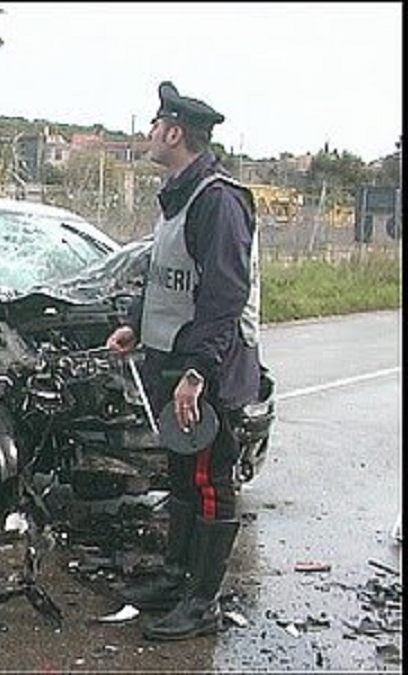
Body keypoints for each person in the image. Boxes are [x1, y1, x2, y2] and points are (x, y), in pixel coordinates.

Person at [105, 81, 263, 640]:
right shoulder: (177, 197)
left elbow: (223, 299)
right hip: (173, 361)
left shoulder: (217, 201)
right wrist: (135, 324)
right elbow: (171, 279)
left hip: (208, 372)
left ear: (174, 133)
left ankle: (202, 602)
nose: (149, 133)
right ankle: (176, 576)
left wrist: (196, 376)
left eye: (155, 125)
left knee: (210, 480)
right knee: (181, 476)